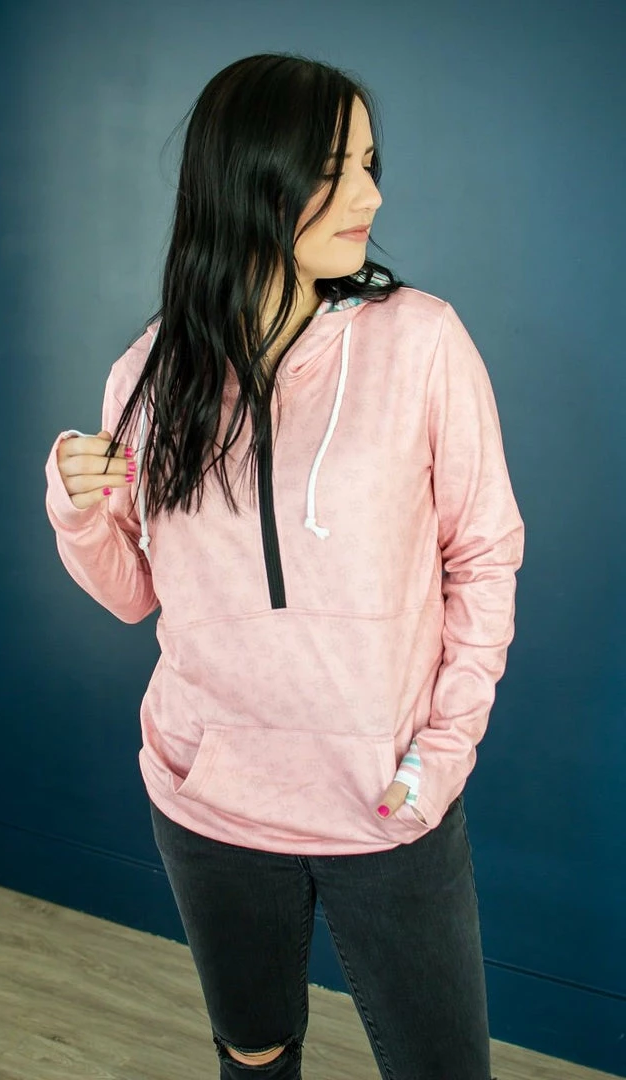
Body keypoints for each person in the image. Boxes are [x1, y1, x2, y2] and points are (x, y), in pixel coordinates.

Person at [44, 52, 523, 1080]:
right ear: (248, 176)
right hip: (212, 801)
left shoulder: (421, 343)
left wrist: (442, 752)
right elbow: (133, 596)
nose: (371, 197)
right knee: (253, 1058)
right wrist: (79, 511)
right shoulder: (150, 374)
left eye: (370, 166)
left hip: (386, 800)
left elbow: (484, 558)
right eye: (334, 170)